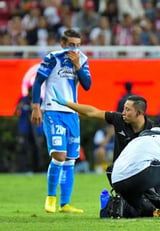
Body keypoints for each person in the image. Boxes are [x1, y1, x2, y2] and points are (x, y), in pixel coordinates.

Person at [31, 29, 92, 213]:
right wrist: (36, 107)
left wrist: (77, 66)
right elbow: (37, 82)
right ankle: (50, 198)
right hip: (52, 110)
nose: (75, 48)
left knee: (71, 160)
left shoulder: (82, 59)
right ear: (63, 44)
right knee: (59, 156)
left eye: (78, 45)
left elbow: (87, 85)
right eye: (71, 44)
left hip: (72, 113)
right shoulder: (53, 57)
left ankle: (65, 204)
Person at [51, 91, 153, 185]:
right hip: (121, 173)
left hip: (142, 172)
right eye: (124, 108)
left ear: (139, 113)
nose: (123, 112)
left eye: (128, 109)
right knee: (111, 171)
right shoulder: (119, 119)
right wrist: (66, 103)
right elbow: (92, 112)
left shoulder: (153, 129)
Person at [111, 119, 160, 218]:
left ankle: (111, 209)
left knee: (144, 211)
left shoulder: (137, 140)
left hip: (117, 182)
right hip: (139, 176)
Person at [14, 86, 45, 173]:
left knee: (38, 149)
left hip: (37, 129)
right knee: (23, 149)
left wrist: (35, 108)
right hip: (25, 129)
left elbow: (45, 113)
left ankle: (38, 169)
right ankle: (23, 169)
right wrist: (21, 105)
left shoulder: (40, 100)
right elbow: (15, 112)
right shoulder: (23, 99)